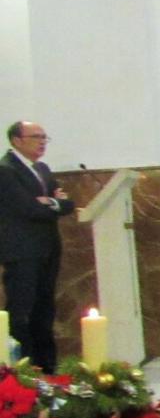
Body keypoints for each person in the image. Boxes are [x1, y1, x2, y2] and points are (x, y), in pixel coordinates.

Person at [1, 120, 74, 372]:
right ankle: (24, 367)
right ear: (17, 140)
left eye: (44, 137)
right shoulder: (6, 170)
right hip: (22, 252)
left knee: (45, 308)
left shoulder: (42, 168)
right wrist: (52, 204)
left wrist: (51, 203)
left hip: (48, 248)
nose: (42, 141)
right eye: (35, 136)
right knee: (22, 309)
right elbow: (27, 208)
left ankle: (48, 366)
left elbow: (67, 204)